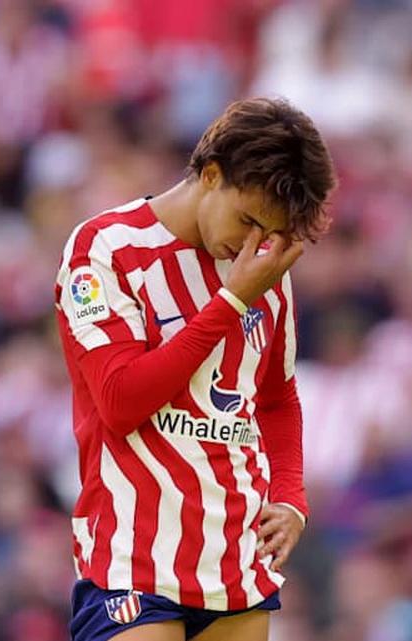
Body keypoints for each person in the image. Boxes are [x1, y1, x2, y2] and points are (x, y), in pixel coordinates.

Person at [53, 96, 336, 641]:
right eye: (248, 219)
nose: (253, 243)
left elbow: (277, 398)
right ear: (211, 174)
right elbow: (120, 401)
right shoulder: (105, 250)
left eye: (272, 233)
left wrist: (292, 498)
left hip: (236, 563)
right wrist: (230, 302)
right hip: (132, 560)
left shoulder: (263, 272)